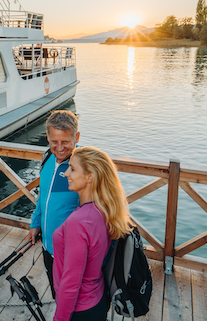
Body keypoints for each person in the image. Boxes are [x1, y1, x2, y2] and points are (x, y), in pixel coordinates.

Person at [52, 147, 134, 321]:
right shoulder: (103, 210)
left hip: (80, 309)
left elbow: (71, 282)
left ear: (90, 176)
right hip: (97, 298)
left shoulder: (80, 222)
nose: (66, 173)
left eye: (73, 169)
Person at [28, 110, 80, 298]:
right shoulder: (47, 158)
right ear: (48, 136)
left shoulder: (84, 166)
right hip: (48, 246)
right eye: (54, 141)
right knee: (57, 293)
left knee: (74, 298)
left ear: (77, 137)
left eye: (65, 141)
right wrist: (35, 223)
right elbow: (43, 196)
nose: (59, 148)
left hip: (72, 252)